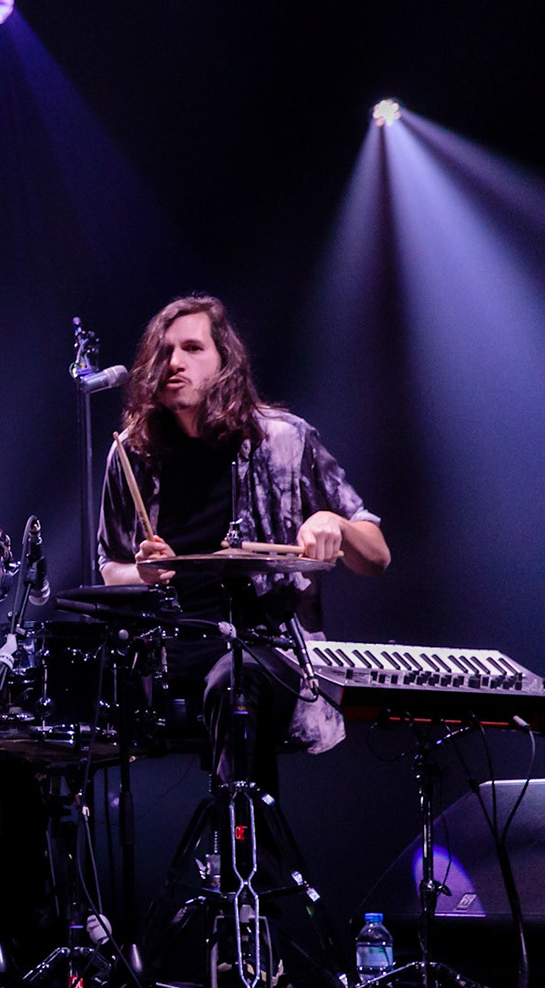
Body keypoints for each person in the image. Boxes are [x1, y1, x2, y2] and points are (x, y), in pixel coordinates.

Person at [97, 295, 389, 792]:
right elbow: (109, 566)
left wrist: (333, 524)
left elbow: (377, 555)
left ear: (225, 361)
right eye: (164, 351)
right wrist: (141, 574)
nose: (174, 363)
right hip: (170, 653)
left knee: (233, 681)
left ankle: (248, 863)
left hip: (270, 651)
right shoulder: (133, 453)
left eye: (192, 348)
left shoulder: (284, 440)